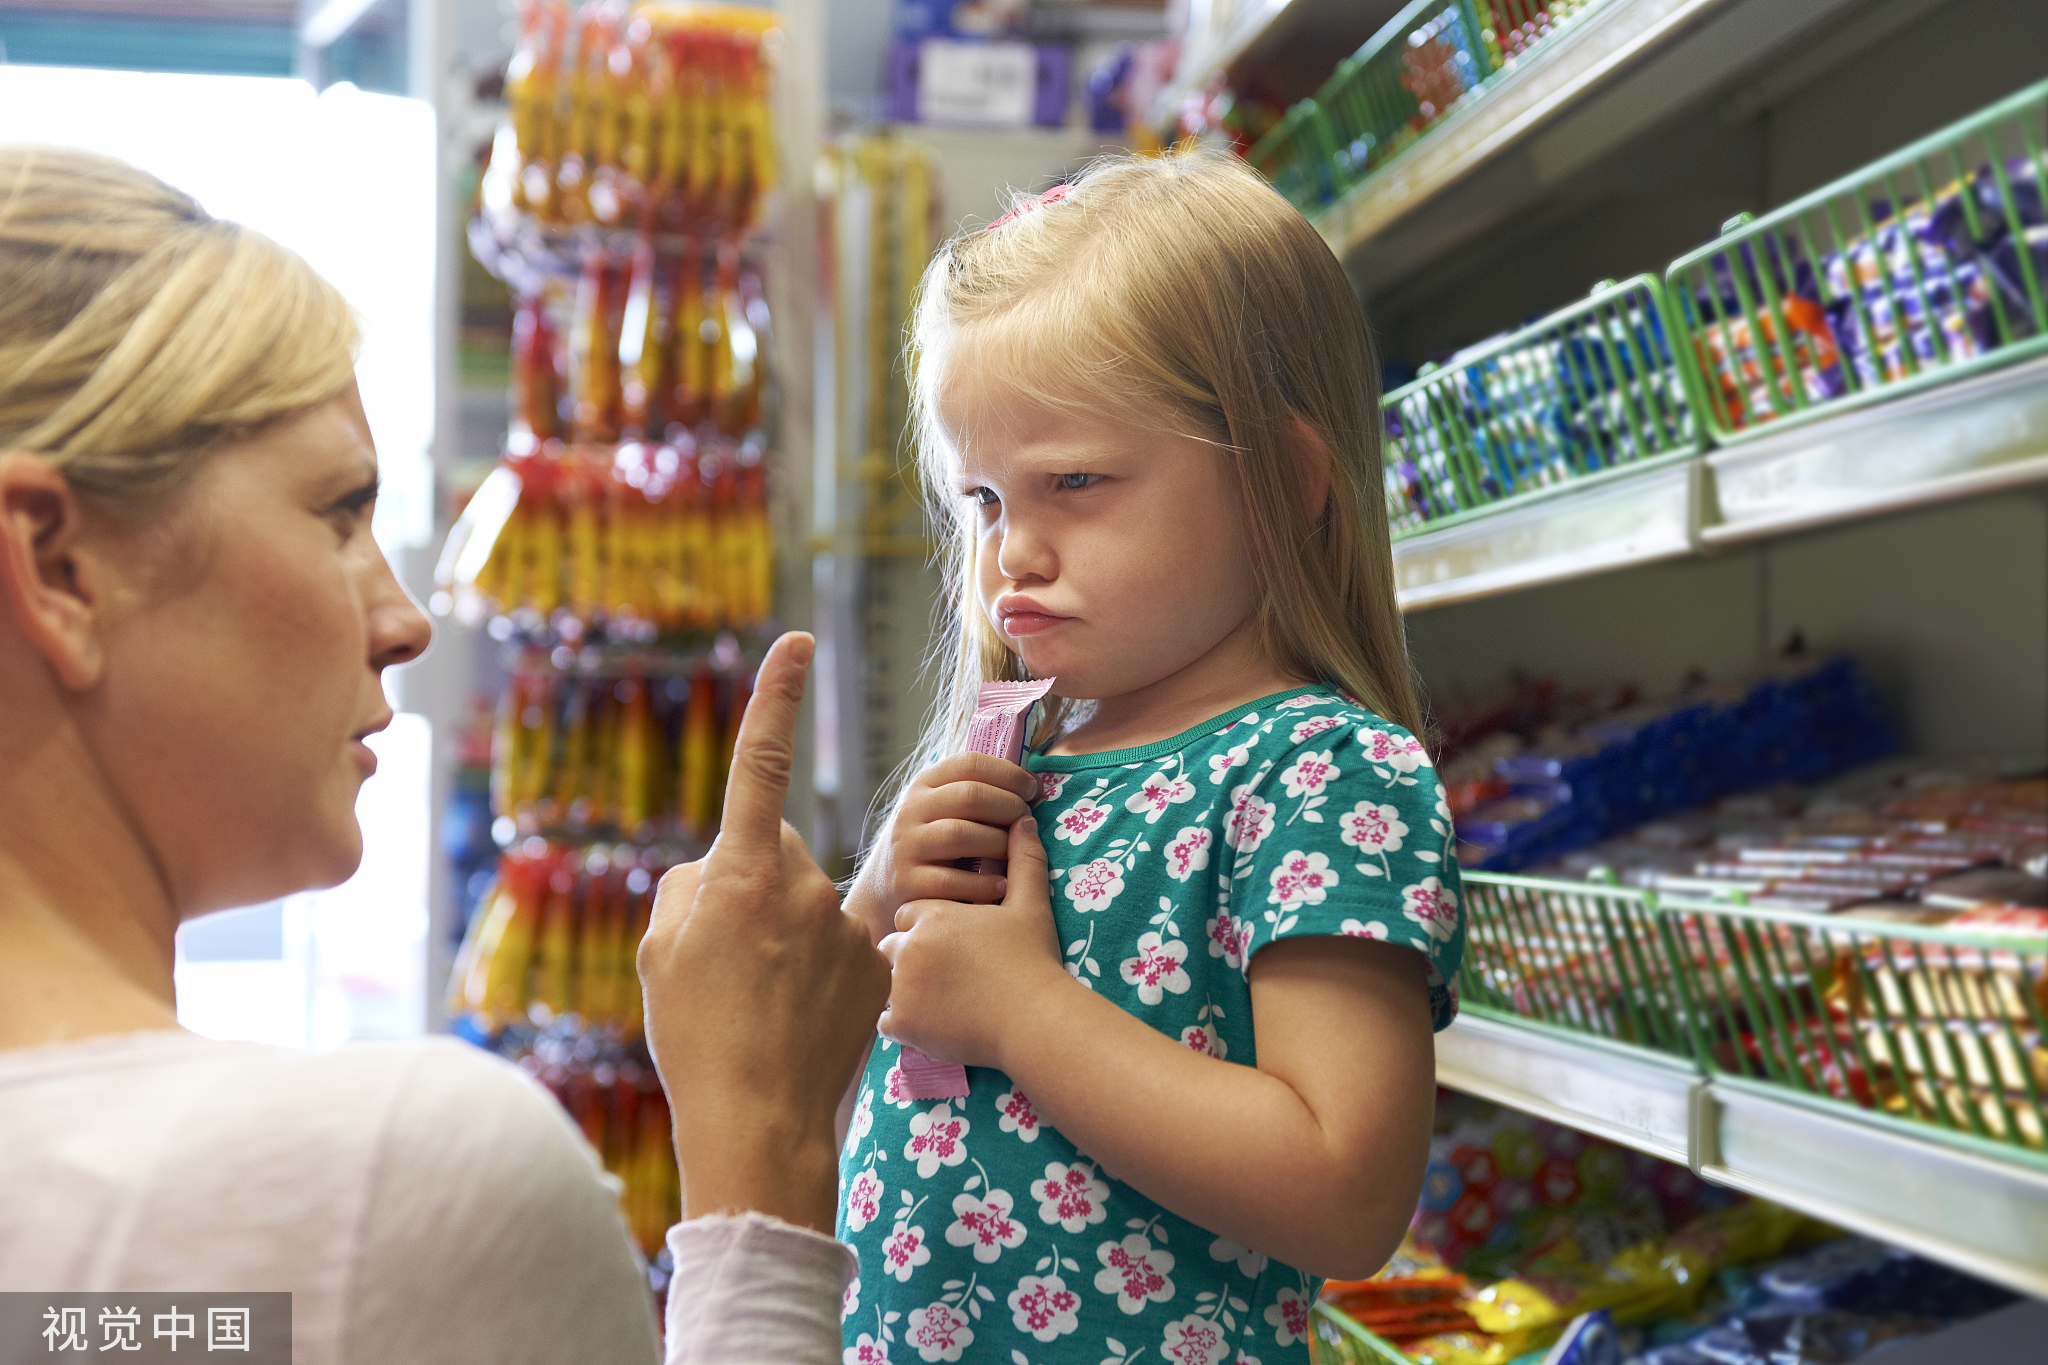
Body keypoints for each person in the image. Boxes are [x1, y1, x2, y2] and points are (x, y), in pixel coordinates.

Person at [0, 145, 883, 1364]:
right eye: (337, 514)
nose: (406, 620)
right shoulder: (381, 1177)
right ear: (56, 566)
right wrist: (767, 1148)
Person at [837, 150, 1464, 1365]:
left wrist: (1021, 1013)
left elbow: (1344, 1189)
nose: (1012, 551)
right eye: (981, 501)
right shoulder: (1027, 761)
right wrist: (873, 902)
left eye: (1072, 482)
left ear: (1282, 481)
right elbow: (829, 1076)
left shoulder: (1321, 774)